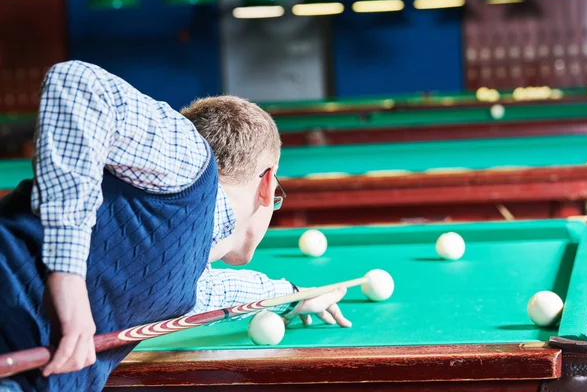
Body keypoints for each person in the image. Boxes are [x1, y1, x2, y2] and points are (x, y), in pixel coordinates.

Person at [0, 60, 348, 392]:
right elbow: (77, 83)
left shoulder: (182, 277)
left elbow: (214, 293)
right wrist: (67, 277)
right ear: (267, 184)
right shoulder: (192, 163)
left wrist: (292, 296)